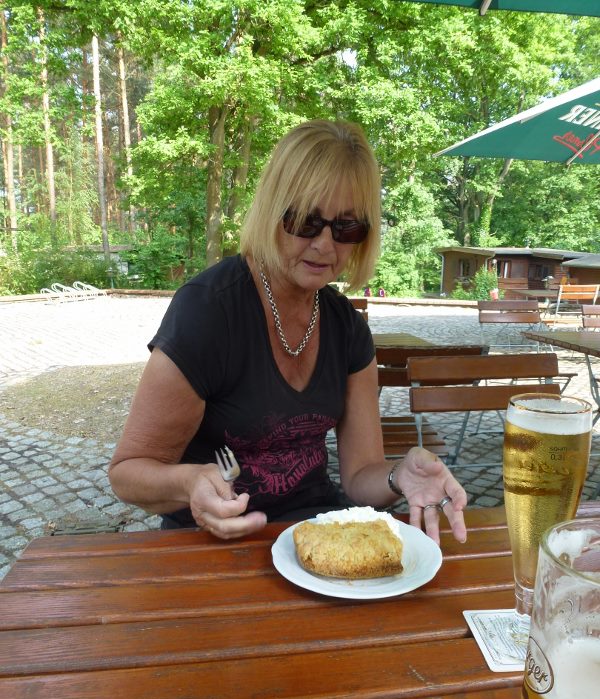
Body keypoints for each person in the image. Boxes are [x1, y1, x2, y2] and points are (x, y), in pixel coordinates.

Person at [109, 119, 467, 544]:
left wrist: (398, 475)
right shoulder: (209, 311)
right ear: (271, 210)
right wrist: (190, 482)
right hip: (212, 541)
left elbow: (358, 477)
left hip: (314, 536)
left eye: (347, 228)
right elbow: (128, 473)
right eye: (304, 220)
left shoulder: (347, 328)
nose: (325, 245)